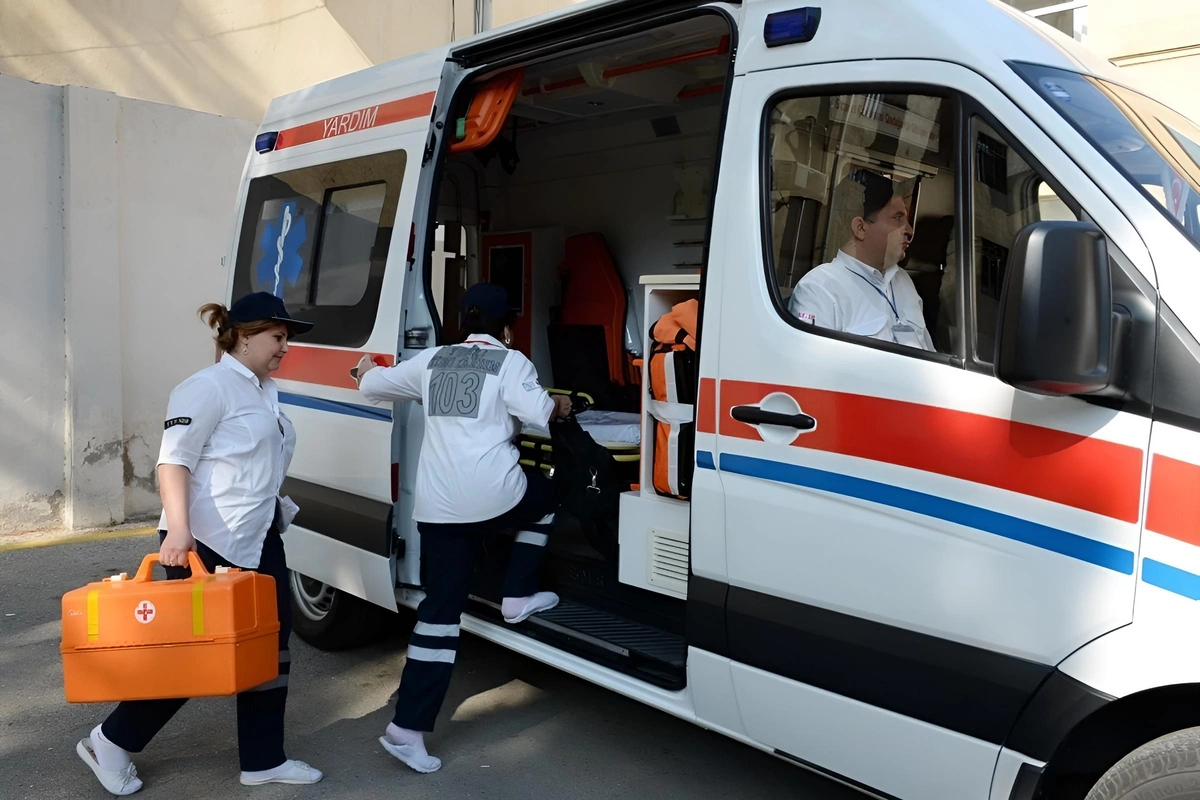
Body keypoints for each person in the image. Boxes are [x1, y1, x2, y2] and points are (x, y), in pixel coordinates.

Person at [75, 292, 323, 796]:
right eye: (279, 337)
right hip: (206, 540)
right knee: (197, 654)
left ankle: (263, 759)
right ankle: (111, 740)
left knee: (270, 648)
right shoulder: (206, 388)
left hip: (256, 538)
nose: (285, 348)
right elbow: (173, 461)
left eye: (286, 339)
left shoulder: (263, 390)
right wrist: (180, 531)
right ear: (247, 335)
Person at [355, 282, 573, 774]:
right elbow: (539, 415)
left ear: (463, 323)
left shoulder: (433, 360)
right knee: (547, 496)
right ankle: (518, 595)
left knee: (439, 614)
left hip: (439, 507)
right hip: (496, 498)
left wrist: (367, 368)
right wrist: (559, 405)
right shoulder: (512, 362)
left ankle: (406, 730)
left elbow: (369, 388)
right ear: (508, 329)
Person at [789, 170, 935, 352]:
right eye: (897, 218)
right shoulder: (819, 289)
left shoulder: (903, 281)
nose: (910, 231)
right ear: (860, 228)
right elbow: (812, 370)